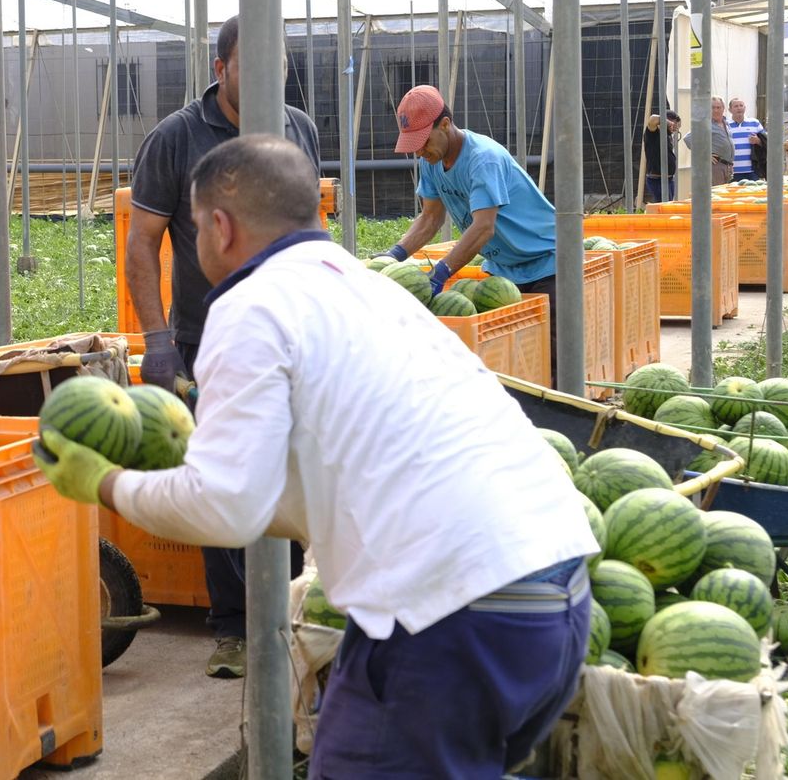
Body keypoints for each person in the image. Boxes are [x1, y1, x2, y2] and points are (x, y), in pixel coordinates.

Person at [34, 134, 597, 777]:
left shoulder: (250, 306)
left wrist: (105, 484)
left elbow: (227, 510)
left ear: (219, 227)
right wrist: (201, 464)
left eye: (191, 229)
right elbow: (318, 485)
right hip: (554, 592)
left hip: (452, 613)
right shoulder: (369, 289)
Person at [124, 14, 322, 680]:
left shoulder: (299, 128)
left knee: (291, 472)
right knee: (222, 469)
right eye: (252, 63)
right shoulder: (176, 138)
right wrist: (157, 340)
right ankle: (234, 628)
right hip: (207, 336)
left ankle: (291, 617)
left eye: (280, 63)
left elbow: (311, 228)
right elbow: (142, 241)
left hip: (290, 332)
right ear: (221, 68)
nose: (270, 76)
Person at [382, 85, 560, 369]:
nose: (419, 151)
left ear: (445, 124)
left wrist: (441, 272)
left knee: (550, 365)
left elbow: (483, 227)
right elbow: (430, 218)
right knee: (514, 366)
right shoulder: (432, 162)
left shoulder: (482, 159)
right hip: (504, 272)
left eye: (423, 141)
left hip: (548, 263)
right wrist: (394, 255)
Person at [642, 110, 681, 203]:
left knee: (669, 206)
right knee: (663, 208)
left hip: (668, 179)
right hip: (658, 180)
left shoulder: (667, 135)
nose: (675, 130)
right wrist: (667, 122)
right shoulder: (653, 133)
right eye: (674, 126)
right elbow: (653, 119)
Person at [727, 98, 763, 179]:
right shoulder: (726, 125)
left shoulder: (755, 123)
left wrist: (758, 141)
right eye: (736, 106)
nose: (739, 108)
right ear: (730, 110)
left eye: (741, 105)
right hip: (732, 171)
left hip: (752, 171)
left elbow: (766, 142)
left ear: (745, 108)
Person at [709, 96, 736, 185]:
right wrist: (705, 155)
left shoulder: (726, 123)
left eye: (718, 107)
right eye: (713, 108)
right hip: (716, 166)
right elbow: (688, 139)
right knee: (716, 194)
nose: (716, 110)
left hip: (728, 166)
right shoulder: (705, 124)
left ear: (723, 109)